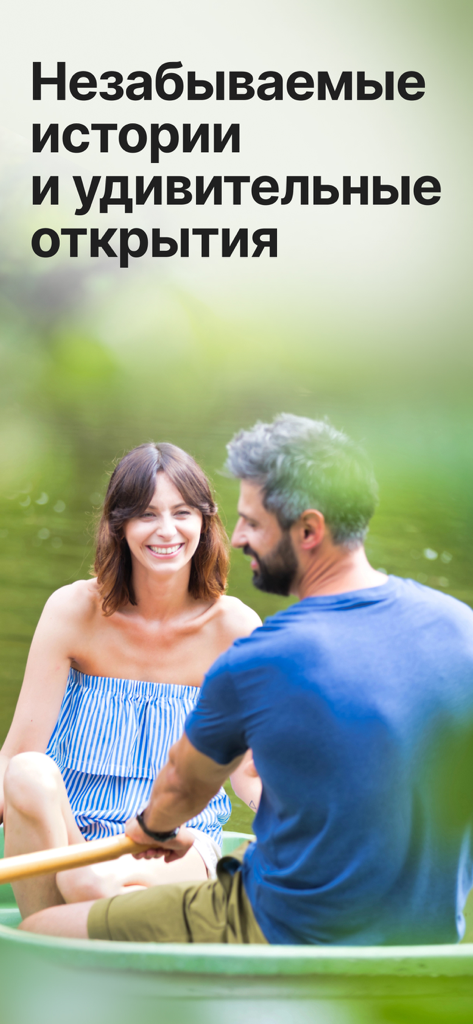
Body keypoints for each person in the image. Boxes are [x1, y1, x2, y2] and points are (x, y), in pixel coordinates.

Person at [19, 414, 473, 946]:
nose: (237, 538)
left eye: (252, 523)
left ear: (308, 530)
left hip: (246, 895)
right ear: (118, 525)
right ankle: (85, 882)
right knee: (34, 785)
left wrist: (152, 829)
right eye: (146, 515)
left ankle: (71, 909)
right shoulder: (459, 625)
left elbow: (190, 785)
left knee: (41, 929)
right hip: (426, 921)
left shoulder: (260, 649)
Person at [0, 442, 261, 920]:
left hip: (176, 844)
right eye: (146, 514)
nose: (167, 530)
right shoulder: (73, 611)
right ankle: (67, 909)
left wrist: (315, 836)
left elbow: (251, 772)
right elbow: (17, 755)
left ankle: (57, 916)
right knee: (27, 774)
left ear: (205, 522)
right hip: (72, 837)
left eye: (182, 512)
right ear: (118, 526)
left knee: (100, 883)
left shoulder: (235, 629)